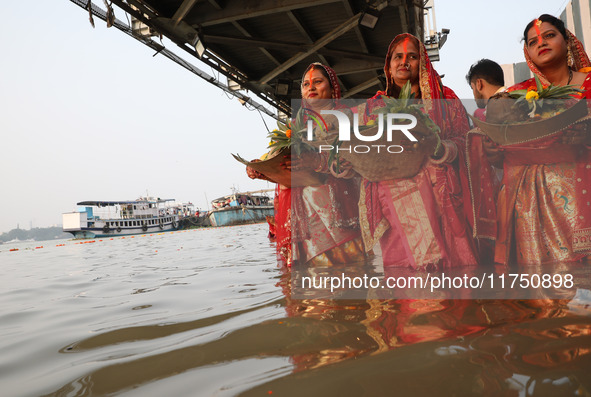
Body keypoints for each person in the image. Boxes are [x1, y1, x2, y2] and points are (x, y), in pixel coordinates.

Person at [476, 14, 591, 265]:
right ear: (528, 51)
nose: (541, 43)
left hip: (583, 193)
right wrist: (493, 152)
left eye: (549, 35)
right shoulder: (515, 96)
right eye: (533, 41)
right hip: (528, 200)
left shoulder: (589, 84)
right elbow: (501, 150)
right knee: (540, 285)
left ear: (567, 40)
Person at [360, 33, 479, 269]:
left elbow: (468, 143)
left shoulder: (446, 99)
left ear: (422, 62)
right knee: (410, 288)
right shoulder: (375, 106)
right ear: (389, 65)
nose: (404, 61)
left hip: (442, 198)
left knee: (457, 278)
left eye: (412, 57)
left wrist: (442, 149)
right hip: (397, 205)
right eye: (398, 56)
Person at [290, 62, 367, 266]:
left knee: (352, 275)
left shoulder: (348, 118)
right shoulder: (297, 127)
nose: (311, 88)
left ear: (332, 88)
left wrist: (319, 162)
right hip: (306, 214)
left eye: (317, 82)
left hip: (339, 208)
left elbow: (356, 162)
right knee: (317, 286)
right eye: (306, 84)